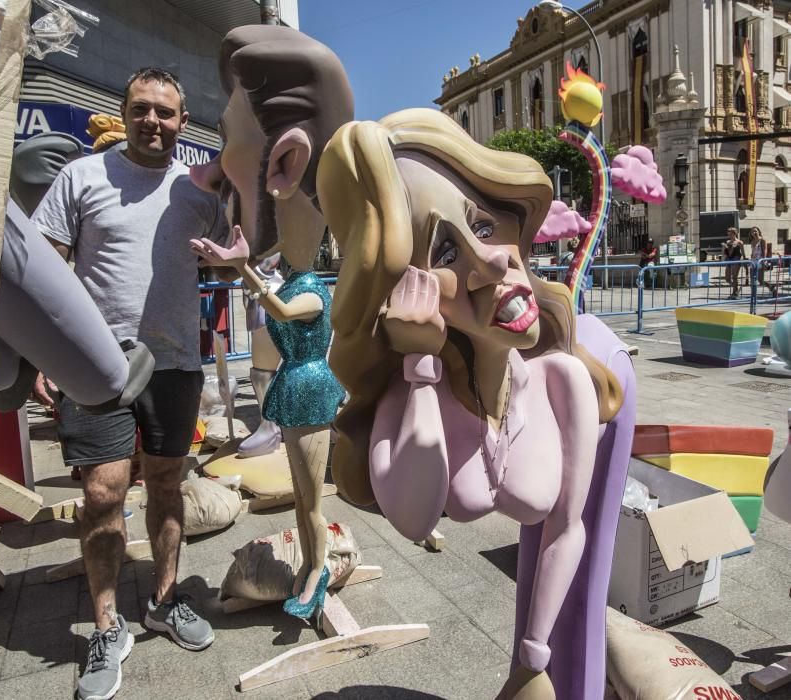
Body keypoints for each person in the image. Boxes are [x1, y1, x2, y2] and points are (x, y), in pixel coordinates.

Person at [318, 109, 625, 698]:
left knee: (578, 617)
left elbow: (568, 528)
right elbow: (413, 517)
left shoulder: (562, 380)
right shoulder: (412, 396)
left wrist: (532, 658)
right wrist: (420, 361)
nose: (492, 262)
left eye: (485, 228)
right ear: (405, 291)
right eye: (446, 254)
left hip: (610, 380)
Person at [31, 67, 226, 700]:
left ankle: (165, 602)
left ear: (182, 122)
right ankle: (106, 626)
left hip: (174, 365)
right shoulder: (81, 177)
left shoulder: (197, 191)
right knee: (104, 491)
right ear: (124, 112)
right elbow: (42, 268)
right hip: (96, 364)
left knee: (168, 484)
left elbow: (240, 249)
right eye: (141, 109)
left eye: (165, 113)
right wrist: (40, 354)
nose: (153, 122)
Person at [189, 25, 353, 622]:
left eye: (222, 144)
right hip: (295, 388)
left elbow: (284, 312)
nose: (209, 176)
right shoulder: (292, 275)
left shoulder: (308, 288)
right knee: (300, 496)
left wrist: (243, 271)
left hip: (311, 390)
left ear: (286, 162)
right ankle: (313, 564)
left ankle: (316, 571)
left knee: (310, 500)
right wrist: (238, 268)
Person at [722, 227, 744, 299]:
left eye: (731, 234)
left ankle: (735, 293)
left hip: (736, 259)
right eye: (729, 234)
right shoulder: (728, 242)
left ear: (735, 234)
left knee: (734, 277)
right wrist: (724, 248)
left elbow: (743, 253)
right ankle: (736, 289)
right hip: (729, 259)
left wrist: (744, 260)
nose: (730, 236)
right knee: (727, 278)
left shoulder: (739, 242)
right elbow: (726, 253)